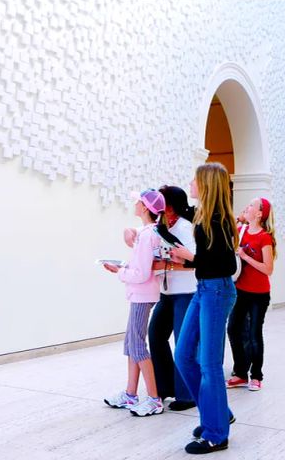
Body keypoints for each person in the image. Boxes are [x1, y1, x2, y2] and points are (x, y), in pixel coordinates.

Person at [170, 163, 238, 455]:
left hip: (216, 291)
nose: (190, 184)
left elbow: (228, 265)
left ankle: (216, 433)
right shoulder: (202, 215)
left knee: (209, 364)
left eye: (194, 180)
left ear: (206, 184)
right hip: (204, 290)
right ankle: (218, 412)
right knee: (184, 355)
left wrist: (190, 258)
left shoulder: (220, 220)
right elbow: (174, 211)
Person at [102, 189, 166, 416]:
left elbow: (141, 273)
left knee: (137, 345)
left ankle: (154, 399)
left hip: (142, 294)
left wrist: (120, 271)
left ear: (146, 208)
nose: (135, 204)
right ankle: (131, 395)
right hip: (140, 294)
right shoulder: (148, 232)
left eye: (138, 202)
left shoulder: (149, 235)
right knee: (131, 343)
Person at [148, 185, 197, 411]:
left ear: (170, 205)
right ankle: (166, 386)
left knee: (182, 343)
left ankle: (186, 395)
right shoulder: (162, 227)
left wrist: (166, 263)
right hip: (166, 293)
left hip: (185, 293)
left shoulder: (185, 228)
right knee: (156, 335)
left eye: (161, 200)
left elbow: (192, 262)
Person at [226, 198, 276, 392]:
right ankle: (240, 373)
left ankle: (256, 376)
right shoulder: (241, 231)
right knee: (233, 329)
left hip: (259, 294)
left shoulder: (264, 237)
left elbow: (268, 268)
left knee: (255, 334)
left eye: (251, 206)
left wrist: (246, 256)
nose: (247, 207)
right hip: (240, 291)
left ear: (259, 214)